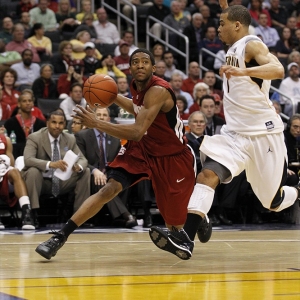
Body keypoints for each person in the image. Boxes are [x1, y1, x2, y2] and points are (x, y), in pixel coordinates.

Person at [148, 0, 300, 259]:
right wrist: (225, 7)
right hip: (235, 135)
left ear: (237, 25)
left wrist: (241, 72)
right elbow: (233, 19)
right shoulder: (236, 45)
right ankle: (186, 237)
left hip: (263, 136)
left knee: (271, 203)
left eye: (222, 23)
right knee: (207, 175)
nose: (217, 28)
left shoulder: (252, 44)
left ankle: (297, 186)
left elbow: (277, 68)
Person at [35, 48, 211, 260]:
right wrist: (112, 95)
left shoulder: (158, 90)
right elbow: (137, 109)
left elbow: (136, 131)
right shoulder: (137, 87)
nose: (139, 65)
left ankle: (199, 216)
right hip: (143, 149)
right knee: (108, 190)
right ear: (129, 67)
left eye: (145, 62)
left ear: (153, 68)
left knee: (174, 226)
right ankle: (59, 237)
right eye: (135, 62)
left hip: (172, 157)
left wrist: (97, 123)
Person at [21, 110, 90, 227]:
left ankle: (79, 217)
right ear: (47, 123)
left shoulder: (70, 138)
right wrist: (50, 164)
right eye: (54, 122)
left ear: (64, 125)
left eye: (60, 123)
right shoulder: (35, 137)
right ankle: (32, 214)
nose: (57, 126)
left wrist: (78, 166)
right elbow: (28, 160)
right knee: (33, 171)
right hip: (42, 182)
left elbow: (83, 159)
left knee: (86, 171)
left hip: (62, 180)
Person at [75, 107, 137, 228]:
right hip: (90, 177)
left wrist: (113, 174)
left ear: (108, 119)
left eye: (104, 115)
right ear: (93, 118)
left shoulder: (115, 137)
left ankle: (117, 218)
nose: (102, 117)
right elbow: (80, 159)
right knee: (101, 181)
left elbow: (119, 160)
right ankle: (125, 215)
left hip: (110, 174)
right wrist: (94, 170)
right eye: (98, 115)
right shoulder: (82, 136)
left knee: (122, 178)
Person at [0, 134, 36, 230]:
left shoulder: (5, 140)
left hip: (3, 173)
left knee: (15, 172)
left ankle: (26, 213)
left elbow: (11, 164)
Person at [4, 89, 46, 159]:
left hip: (36, 157)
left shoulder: (41, 124)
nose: (28, 103)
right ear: (19, 104)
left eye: (30, 101)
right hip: (16, 157)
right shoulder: (10, 123)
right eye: (24, 101)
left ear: (33, 104)